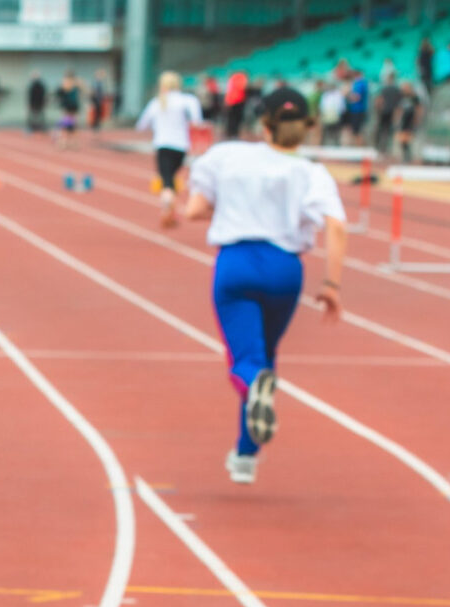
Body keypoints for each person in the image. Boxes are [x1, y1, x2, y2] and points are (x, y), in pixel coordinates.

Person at [183, 86, 349, 486]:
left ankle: (253, 396)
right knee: (265, 356)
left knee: (246, 360)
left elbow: (195, 210)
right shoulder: (312, 172)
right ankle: (245, 455)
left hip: (237, 263)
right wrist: (331, 284)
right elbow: (337, 227)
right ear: (306, 127)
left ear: (264, 124)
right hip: (284, 270)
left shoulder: (228, 156)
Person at [137, 70, 205, 229]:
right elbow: (197, 121)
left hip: (162, 144)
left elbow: (141, 124)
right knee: (171, 179)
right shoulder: (187, 100)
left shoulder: (156, 102)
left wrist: (157, 126)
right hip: (181, 146)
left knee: (166, 181)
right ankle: (171, 213)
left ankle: (166, 209)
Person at [374, 70, 402, 158]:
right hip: (391, 112)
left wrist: (379, 109)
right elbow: (398, 104)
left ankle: (380, 149)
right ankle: (386, 150)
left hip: (384, 112)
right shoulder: (397, 90)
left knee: (381, 130)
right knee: (388, 132)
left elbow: (379, 100)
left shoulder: (384, 88)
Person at [55, 70, 83, 147]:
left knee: (73, 127)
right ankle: (64, 142)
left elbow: (82, 92)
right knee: (65, 126)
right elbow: (59, 94)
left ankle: (73, 143)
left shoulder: (76, 85)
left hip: (73, 108)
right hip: (67, 108)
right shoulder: (64, 85)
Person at [317, 78, 345, 146]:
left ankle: (337, 145)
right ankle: (323, 145)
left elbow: (341, 107)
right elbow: (322, 106)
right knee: (325, 132)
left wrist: (339, 114)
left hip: (336, 116)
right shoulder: (325, 95)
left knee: (336, 133)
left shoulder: (338, 94)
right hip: (327, 116)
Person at [223, 69, 248, 139]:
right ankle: (234, 133)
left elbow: (228, 91)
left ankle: (231, 133)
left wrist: (227, 101)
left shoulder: (232, 79)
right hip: (238, 101)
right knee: (236, 119)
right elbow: (243, 87)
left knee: (231, 118)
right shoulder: (241, 78)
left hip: (232, 101)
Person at [89, 67, 111, 132]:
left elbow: (105, 89)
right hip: (95, 99)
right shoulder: (94, 83)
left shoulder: (101, 83)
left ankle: (97, 124)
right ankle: (94, 124)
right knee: (95, 112)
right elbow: (92, 91)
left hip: (100, 99)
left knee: (99, 112)